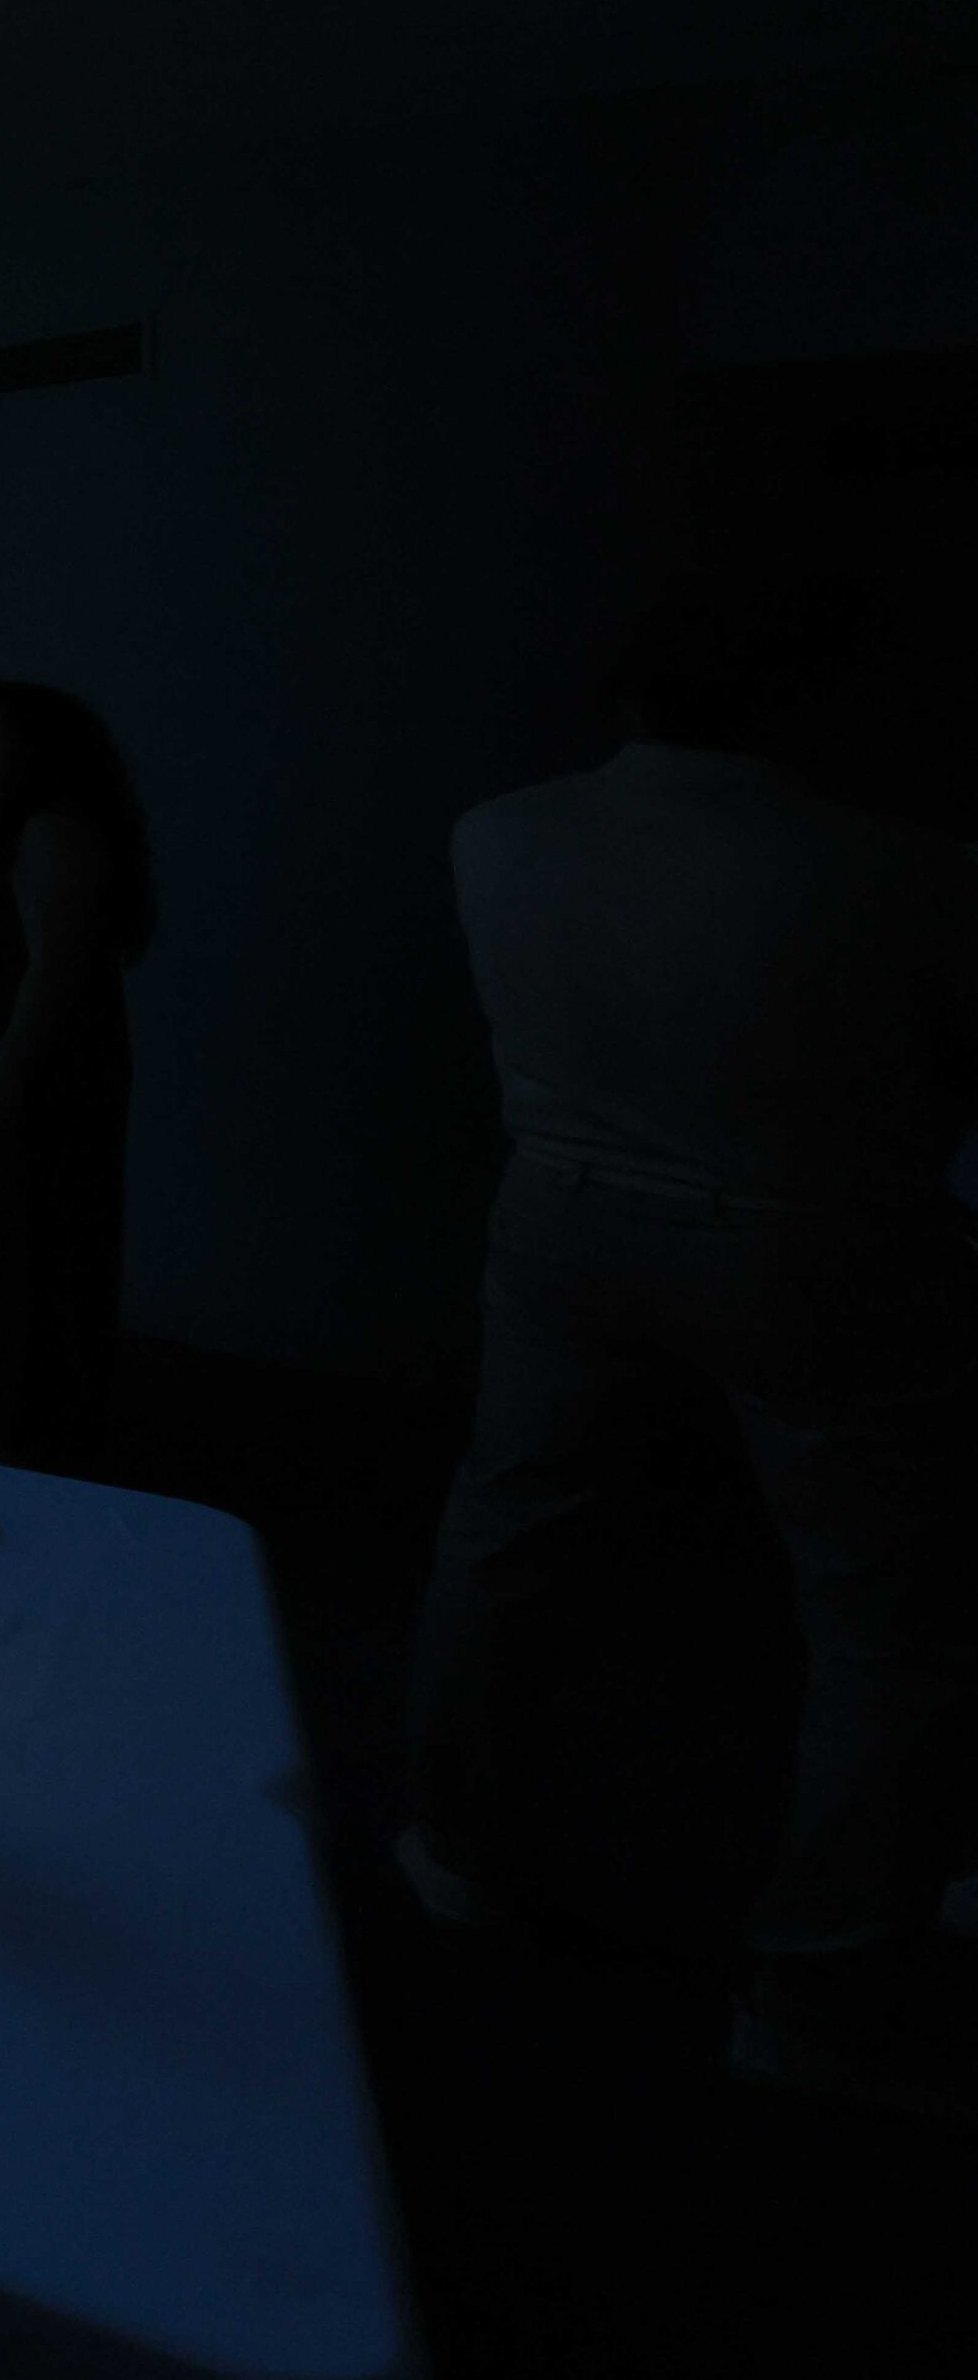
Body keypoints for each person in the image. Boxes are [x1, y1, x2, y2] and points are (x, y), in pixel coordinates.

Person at [407, 605, 976, 2122]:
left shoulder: (499, 833)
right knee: (884, 1621)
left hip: (562, 1212)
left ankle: (456, 1845)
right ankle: (817, 1983)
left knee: (508, 1530)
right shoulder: (902, 866)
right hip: (811, 1236)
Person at [0, 681, 150, 1465]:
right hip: (46, 1065)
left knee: (31, 1247)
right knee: (37, 1247)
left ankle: (26, 1432)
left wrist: (4, 1079)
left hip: (43, 1071)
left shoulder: (49, 830)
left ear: (36, 748)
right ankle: (32, 1427)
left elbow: (51, 973)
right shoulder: (42, 828)